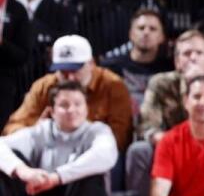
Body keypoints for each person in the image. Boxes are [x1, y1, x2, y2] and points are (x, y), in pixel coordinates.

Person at [4, 35, 133, 152]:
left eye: (75, 70)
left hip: (96, 153)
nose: (70, 78)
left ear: (91, 64)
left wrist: (75, 135)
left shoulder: (112, 85)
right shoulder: (43, 86)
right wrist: (36, 132)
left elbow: (120, 137)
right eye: (63, 72)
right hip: (49, 152)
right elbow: (12, 128)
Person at [0, 81, 117, 196]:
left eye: (78, 104)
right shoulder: (41, 131)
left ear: (86, 108)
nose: (71, 110)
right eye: (64, 105)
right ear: (52, 111)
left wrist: (57, 177)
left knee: (92, 172)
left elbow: (106, 155)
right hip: (40, 193)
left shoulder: (98, 131)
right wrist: (22, 170)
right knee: (11, 159)